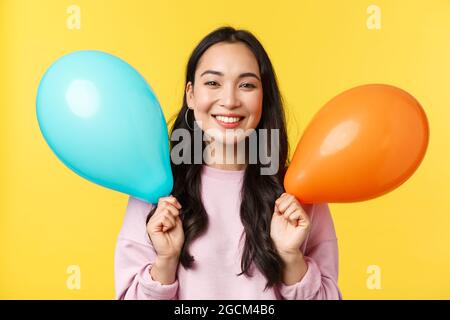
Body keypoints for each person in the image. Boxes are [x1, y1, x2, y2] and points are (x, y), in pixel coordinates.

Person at [114, 26, 342, 300]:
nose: (230, 100)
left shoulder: (299, 195)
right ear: (191, 94)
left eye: (247, 85)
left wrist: (291, 259)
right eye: (213, 83)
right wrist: (166, 260)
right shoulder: (155, 190)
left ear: (263, 97)